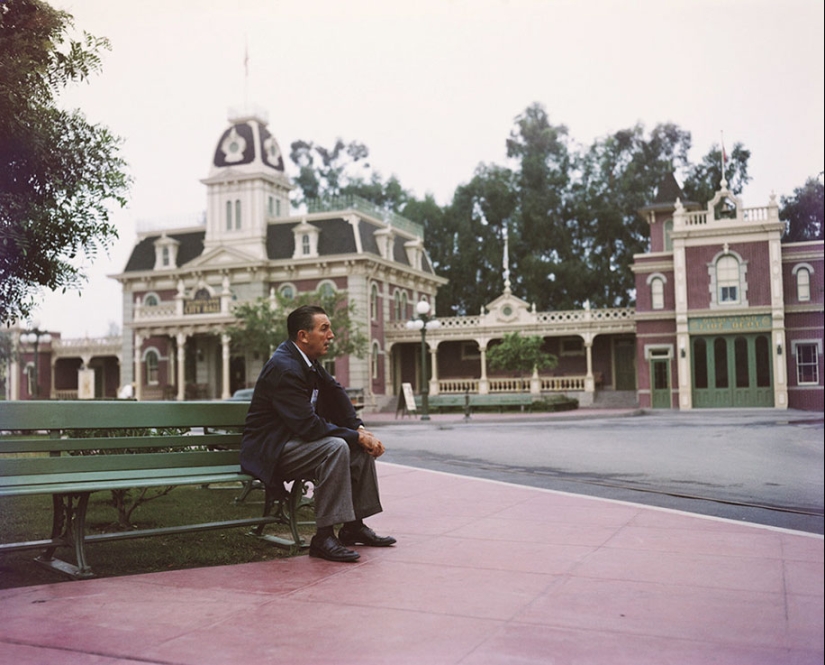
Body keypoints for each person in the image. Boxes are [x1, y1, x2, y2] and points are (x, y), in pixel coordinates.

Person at [240, 304, 395, 562]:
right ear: (303, 335)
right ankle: (323, 537)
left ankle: (353, 525)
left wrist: (359, 429)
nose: (331, 335)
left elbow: (334, 392)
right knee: (335, 448)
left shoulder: (306, 361)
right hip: (270, 451)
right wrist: (355, 436)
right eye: (324, 329)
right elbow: (309, 427)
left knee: (357, 446)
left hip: (292, 443)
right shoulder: (285, 367)